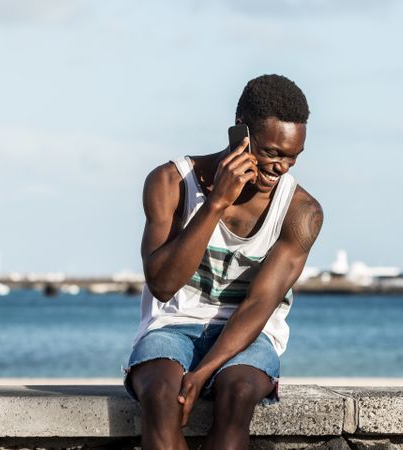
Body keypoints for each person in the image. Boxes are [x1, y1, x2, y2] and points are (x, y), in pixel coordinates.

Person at [123, 74, 323, 450]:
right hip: (171, 327)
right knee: (162, 398)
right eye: (271, 153)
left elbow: (259, 305)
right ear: (240, 133)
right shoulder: (171, 183)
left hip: (249, 335)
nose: (281, 167)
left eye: (292, 157)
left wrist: (204, 371)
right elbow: (162, 284)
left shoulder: (301, 212)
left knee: (237, 395)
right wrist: (215, 204)